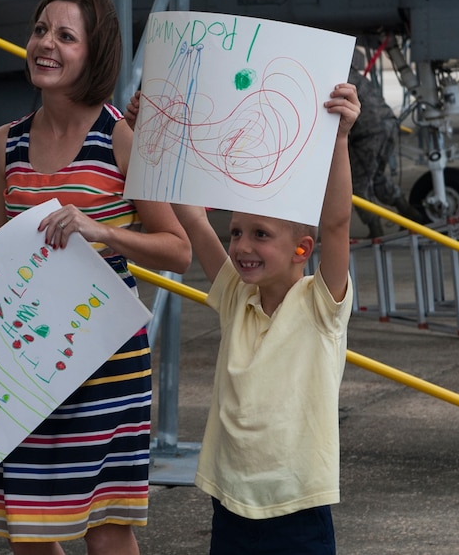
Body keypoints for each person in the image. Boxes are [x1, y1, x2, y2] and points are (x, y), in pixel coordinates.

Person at [0, 0, 191, 555]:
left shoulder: (122, 138)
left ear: (93, 56)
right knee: (28, 524)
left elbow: (178, 249)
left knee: (106, 528)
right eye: (41, 30)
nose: (46, 44)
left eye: (65, 36)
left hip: (104, 361)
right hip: (22, 359)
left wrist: (106, 232)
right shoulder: (5, 145)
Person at [127, 82, 360, 554]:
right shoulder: (238, 296)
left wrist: (339, 140)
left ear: (302, 249)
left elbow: (335, 224)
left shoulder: (321, 305)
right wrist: (145, 132)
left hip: (297, 510)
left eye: (260, 234)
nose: (241, 246)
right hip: (230, 506)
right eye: (235, 232)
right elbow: (190, 214)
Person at [348, 65, 424, 237]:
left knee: (359, 185)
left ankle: (376, 230)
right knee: (376, 177)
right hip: (388, 125)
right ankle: (410, 214)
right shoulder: (355, 75)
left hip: (368, 133)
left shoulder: (337, 78)